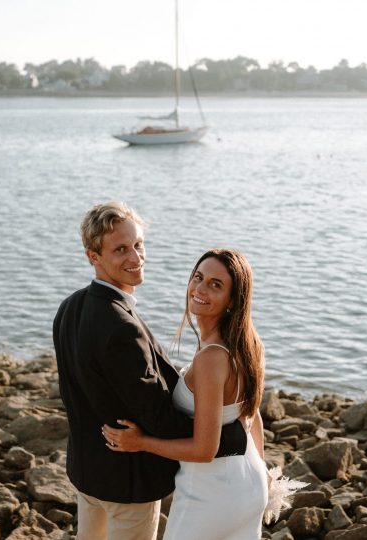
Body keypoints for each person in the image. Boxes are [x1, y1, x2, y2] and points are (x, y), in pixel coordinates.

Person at [53, 202, 247, 540]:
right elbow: (159, 418)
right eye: (121, 250)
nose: (136, 257)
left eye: (138, 244)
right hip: (128, 485)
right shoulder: (121, 328)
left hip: (86, 474)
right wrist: (230, 434)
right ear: (93, 257)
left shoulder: (69, 307)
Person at [103, 249, 268, 540]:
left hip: (212, 493)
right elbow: (252, 418)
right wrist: (263, 469)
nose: (200, 289)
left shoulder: (212, 359)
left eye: (216, 285)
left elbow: (204, 450)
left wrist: (141, 442)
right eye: (198, 277)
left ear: (233, 300)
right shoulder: (248, 344)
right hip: (250, 481)